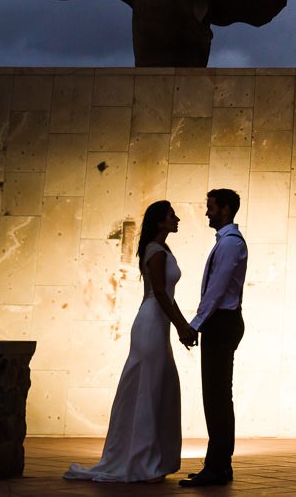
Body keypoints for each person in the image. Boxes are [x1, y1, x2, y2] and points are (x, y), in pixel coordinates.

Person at [64, 200, 196, 482]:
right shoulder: (156, 251)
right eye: (172, 216)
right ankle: (142, 459)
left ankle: (150, 458)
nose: (177, 220)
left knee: (156, 386)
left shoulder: (161, 249)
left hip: (156, 322)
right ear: (160, 222)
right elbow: (160, 293)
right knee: (148, 387)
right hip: (152, 321)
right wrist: (182, 325)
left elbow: (163, 294)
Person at [180, 187, 248, 488]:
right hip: (220, 322)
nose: (206, 212)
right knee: (217, 397)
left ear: (225, 209)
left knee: (217, 397)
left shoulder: (231, 244)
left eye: (210, 207)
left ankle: (218, 467)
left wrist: (195, 324)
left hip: (222, 323)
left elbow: (217, 289)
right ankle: (218, 465)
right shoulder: (226, 242)